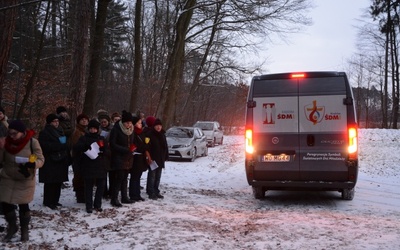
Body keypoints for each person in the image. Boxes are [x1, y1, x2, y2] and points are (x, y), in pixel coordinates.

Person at [0, 120, 44, 242]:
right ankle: (12, 227)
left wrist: (33, 164)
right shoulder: (6, 142)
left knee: (23, 204)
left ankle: (24, 230)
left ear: (22, 132)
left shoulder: (32, 142)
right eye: (10, 133)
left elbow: (41, 159)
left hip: (24, 177)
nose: (12, 136)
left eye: (14, 133)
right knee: (5, 202)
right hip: (8, 176)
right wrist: (1, 148)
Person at [73, 119, 107, 213]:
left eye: (94, 129)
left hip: (100, 165)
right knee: (88, 187)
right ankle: (89, 205)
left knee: (100, 187)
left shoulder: (101, 139)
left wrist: (103, 150)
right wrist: (85, 147)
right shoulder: (84, 138)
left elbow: (107, 151)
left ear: (97, 129)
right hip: (88, 165)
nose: (93, 130)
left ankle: (97, 204)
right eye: (91, 129)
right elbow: (76, 147)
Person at [38, 114, 70, 210]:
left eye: (57, 121)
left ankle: (55, 200)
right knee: (50, 183)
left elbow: (64, 143)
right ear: (49, 122)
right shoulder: (45, 132)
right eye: (54, 121)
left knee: (58, 182)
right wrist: (59, 146)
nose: (56, 123)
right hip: (50, 160)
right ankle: (48, 201)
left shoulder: (60, 131)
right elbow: (45, 146)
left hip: (60, 159)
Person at [108, 110, 135, 207]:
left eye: (130, 123)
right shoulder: (116, 129)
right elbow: (113, 144)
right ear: (123, 122)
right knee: (118, 178)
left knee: (125, 178)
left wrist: (132, 148)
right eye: (127, 123)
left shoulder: (132, 130)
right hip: (118, 157)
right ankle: (114, 198)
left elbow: (133, 141)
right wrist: (125, 149)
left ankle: (124, 196)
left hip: (128, 157)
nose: (129, 124)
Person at [145, 118, 168, 200]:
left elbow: (165, 146)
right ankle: (150, 191)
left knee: (158, 176)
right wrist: (148, 157)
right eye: (157, 126)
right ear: (154, 126)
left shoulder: (162, 134)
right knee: (152, 176)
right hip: (153, 159)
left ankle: (156, 190)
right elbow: (147, 147)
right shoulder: (149, 134)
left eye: (160, 126)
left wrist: (166, 156)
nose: (158, 127)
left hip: (160, 159)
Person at [129, 116, 150, 202]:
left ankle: (137, 194)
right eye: (138, 123)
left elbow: (145, 144)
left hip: (141, 157)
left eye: (141, 123)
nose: (140, 124)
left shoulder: (142, 133)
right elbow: (136, 146)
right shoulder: (133, 133)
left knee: (138, 176)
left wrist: (146, 145)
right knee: (134, 177)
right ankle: (133, 194)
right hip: (135, 157)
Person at [70, 113, 90, 203]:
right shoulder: (77, 132)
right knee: (79, 176)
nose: (84, 121)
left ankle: (84, 195)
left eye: (85, 119)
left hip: (87, 157)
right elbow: (75, 145)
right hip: (78, 157)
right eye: (82, 120)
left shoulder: (88, 131)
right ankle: (80, 196)